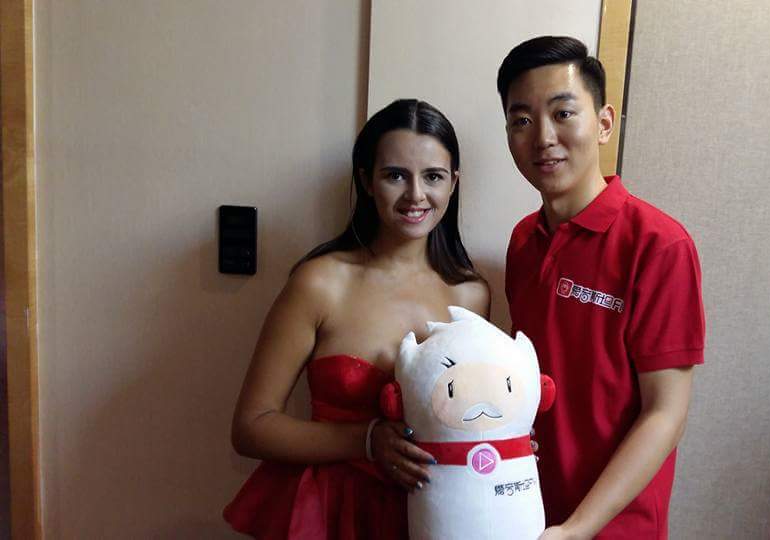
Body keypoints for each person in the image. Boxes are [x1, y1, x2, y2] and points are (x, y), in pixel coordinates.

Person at [223, 99, 490, 540]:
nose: (416, 195)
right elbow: (251, 427)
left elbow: (468, 416)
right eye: (395, 175)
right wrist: (365, 439)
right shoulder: (320, 282)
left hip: (432, 512)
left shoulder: (471, 295)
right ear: (366, 180)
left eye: (433, 176)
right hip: (331, 512)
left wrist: (503, 440)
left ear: (453, 183)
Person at [498, 36, 706, 539]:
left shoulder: (659, 245)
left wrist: (577, 528)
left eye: (563, 113)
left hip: (614, 526)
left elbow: (665, 414)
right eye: (522, 120)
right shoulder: (523, 241)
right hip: (526, 513)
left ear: (604, 123)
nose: (543, 137)